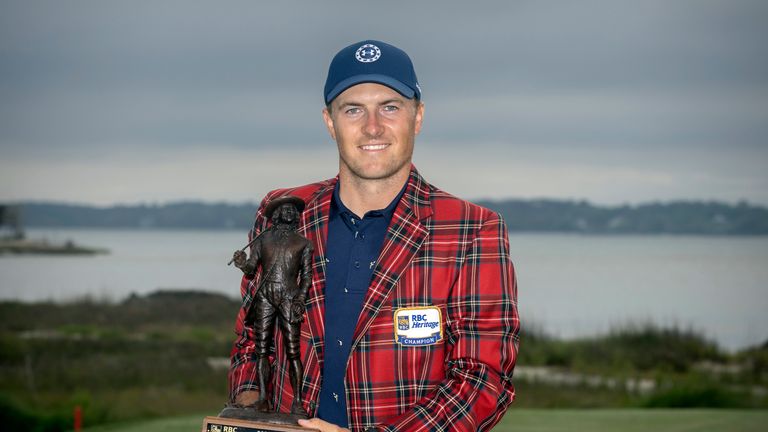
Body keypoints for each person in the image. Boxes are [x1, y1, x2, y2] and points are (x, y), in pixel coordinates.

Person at [227, 39, 520, 432]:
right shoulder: (282, 212)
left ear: (417, 117)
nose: (372, 127)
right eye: (353, 110)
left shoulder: (471, 230)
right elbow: (250, 337)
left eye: (390, 107)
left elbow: (482, 381)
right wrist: (250, 409)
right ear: (330, 122)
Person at [231, 195, 313, 416]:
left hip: (289, 296)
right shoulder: (261, 240)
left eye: (291, 211)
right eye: (284, 210)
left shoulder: (304, 243)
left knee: (293, 351)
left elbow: (306, 277)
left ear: (295, 216)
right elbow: (251, 268)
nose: (288, 213)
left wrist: (299, 299)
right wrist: (241, 263)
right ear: (276, 215)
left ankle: (297, 402)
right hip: (265, 296)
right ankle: (263, 399)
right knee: (261, 350)